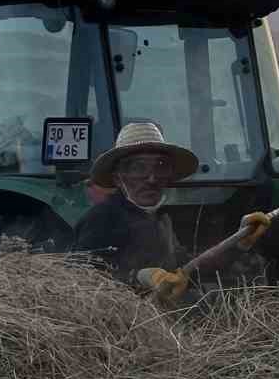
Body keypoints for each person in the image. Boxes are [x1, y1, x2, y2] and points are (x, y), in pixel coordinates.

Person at [73, 121, 197, 301]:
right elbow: (79, 282)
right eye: (138, 168)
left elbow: (184, 270)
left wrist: (239, 245)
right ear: (117, 178)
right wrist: (139, 277)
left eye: (160, 166)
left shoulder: (162, 218)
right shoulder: (102, 219)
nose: (152, 179)